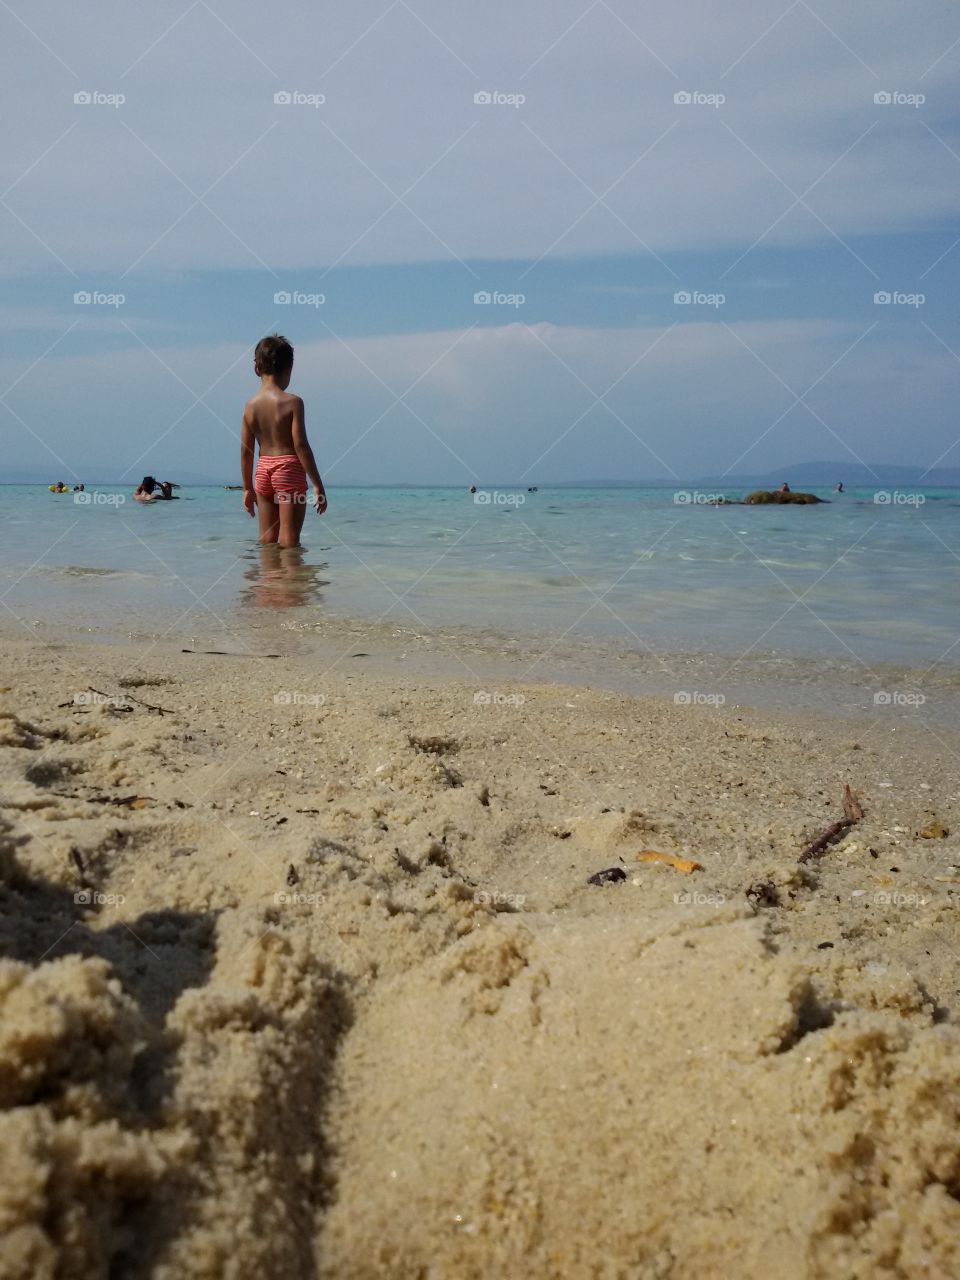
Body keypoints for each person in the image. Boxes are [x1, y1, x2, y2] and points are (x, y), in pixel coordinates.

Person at [240, 334, 327, 548]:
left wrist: (247, 488)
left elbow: (245, 451)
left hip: (262, 472)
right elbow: (300, 445)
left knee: (267, 539)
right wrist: (317, 484)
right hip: (288, 470)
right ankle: (290, 581)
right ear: (289, 368)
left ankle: (268, 581)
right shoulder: (293, 403)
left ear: (257, 368)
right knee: (289, 541)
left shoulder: (250, 406)